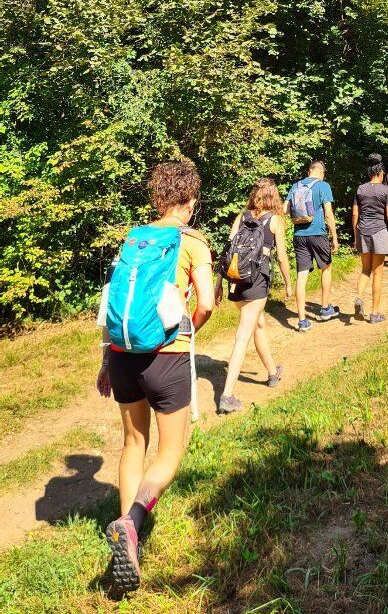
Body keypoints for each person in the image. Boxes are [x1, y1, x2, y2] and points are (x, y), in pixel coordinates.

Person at [97, 158, 215, 595]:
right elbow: (205, 304)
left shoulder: (134, 237)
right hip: (167, 356)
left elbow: (116, 304)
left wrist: (107, 361)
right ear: (188, 201)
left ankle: (126, 539)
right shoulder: (191, 242)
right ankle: (132, 523)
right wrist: (187, 333)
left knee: (133, 444)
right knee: (170, 453)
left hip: (123, 354)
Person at [215, 177, 292, 413]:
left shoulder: (242, 216)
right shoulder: (276, 220)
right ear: (273, 196)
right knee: (243, 335)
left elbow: (227, 251)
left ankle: (271, 372)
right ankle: (227, 395)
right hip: (257, 281)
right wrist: (288, 283)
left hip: (237, 281)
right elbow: (281, 257)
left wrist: (219, 283)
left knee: (258, 324)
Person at [283, 159, 340, 331]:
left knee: (301, 276)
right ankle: (325, 309)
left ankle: (302, 321)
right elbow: (329, 214)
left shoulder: (296, 185)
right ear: (321, 173)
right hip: (318, 233)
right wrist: (334, 238)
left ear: (309, 172)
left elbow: (285, 210)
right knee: (326, 268)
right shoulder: (323, 186)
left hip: (299, 235)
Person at [352, 153, 388, 323]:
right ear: (381, 172)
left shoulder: (360, 189)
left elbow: (355, 213)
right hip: (379, 232)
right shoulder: (386, 191)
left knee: (365, 269)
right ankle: (374, 313)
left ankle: (358, 297)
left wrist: (356, 235)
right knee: (377, 272)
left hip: (363, 231)